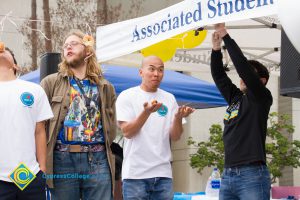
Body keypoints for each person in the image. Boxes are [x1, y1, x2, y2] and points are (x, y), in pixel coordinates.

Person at [40, 30, 117, 200]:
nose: (68, 47)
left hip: (98, 158)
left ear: (88, 51)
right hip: (62, 159)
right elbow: (39, 126)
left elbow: (111, 127)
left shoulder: (106, 87)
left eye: (73, 44)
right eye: (65, 46)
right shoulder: (50, 82)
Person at [116, 55, 194, 200]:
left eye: (160, 70)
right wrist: (146, 112)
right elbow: (127, 132)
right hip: (135, 175)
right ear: (141, 72)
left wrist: (178, 117)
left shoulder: (169, 98)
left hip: (163, 174)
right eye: (151, 69)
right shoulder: (127, 96)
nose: (156, 74)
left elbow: (175, 136)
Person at [210, 23, 272, 200]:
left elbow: (242, 66)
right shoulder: (236, 98)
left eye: (249, 74)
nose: (242, 77)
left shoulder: (262, 97)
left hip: (252, 174)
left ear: (262, 80)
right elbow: (219, 76)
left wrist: (225, 35)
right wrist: (216, 50)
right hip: (228, 174)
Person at [0, 45, 53, 199]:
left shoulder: (34, 90)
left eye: (6, 51)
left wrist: (42, 168)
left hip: (28, 174)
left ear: (15, 65)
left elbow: (40, 131)